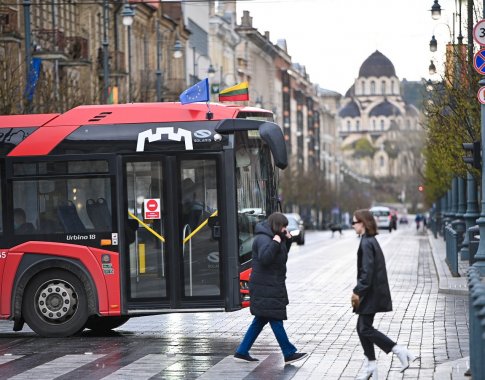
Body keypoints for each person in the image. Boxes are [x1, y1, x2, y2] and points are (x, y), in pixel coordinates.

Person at [351, 209, 418, 379]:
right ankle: (372, 366)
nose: (352, 226)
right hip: (373, 291)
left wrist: (357, 292)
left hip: (370, 293)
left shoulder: (367, 242)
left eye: (354, 222)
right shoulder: (368, 240)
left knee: (364, 328)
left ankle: (398, 350)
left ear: (363, 223)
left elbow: (367, 272)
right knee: (362, 328)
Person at [234, 212, 307, 365]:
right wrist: (276, 242)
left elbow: (281, 258)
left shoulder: (274, 237)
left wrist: (288, 240)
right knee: (275, 319)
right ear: (277, 225)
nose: (285, 228)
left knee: (260, 319)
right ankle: (289, 352)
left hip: (270, 285)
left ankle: (242, 351)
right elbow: (266, 259)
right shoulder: (263, 238)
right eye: (284, 226)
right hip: (265, 286)